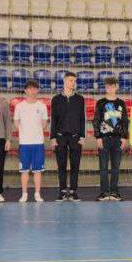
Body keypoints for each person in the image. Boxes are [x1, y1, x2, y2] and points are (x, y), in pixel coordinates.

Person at [51, 72, 86, 202]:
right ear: (64, 81)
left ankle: (73, 191)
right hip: (60, 137)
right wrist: (53, 137)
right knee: (61, 165)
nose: (73, 83)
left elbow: (82, 118)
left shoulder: (80, 99)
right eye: (71, 80)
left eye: (74, 81)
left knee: (75, 165)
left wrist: (82, 135)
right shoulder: (56, 99)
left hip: (76, 137)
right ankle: (62, 191)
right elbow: (53, 119)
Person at [93, 77, 128, 201]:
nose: (110, 89)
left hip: (117, 139)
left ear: (116, 87)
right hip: (104, 138)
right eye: (108, 87)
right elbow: (96, 120)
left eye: (112, 86)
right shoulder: (100, 103)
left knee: (115, 167)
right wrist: (98, 137)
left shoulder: (121, 103)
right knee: (103, 167)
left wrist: (124, 137)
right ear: (105, 88)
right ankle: (104, 192)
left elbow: (125, 121)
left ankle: (114, 192)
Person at [14, 80, 49, 203]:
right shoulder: (19, 106)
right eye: (30, 88)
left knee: (37, 170)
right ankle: (24, 194)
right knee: (24, 171)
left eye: (35, 88)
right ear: (25, 90)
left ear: (37, 90)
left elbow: (44, 124)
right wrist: (24, 133)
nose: (32, 91)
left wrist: (35, 132)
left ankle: (37, 194)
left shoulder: (42, 106)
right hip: (24, 143)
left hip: (38, 142)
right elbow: (16, 123)